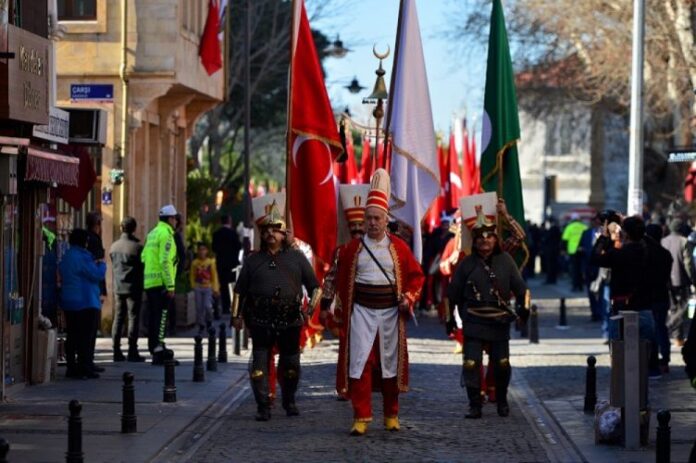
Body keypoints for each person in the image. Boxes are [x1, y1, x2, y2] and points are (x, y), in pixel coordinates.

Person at [324, 169, 424, 436]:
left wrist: (409, 298)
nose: (372, 223)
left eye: (377, 218)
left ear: (385, 219)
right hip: (361, 314)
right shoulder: (350, 250)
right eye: (368, 218)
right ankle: (361, 416)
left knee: (390, 365)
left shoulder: (400, 249)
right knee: (360, 363)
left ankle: (391, 414)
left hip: (390, 314)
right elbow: (333, 277)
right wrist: (328, 306)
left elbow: (416, 278)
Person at [232, 195, 319, 421]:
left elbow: (315, 287)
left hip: (290, 318)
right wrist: (236, 315)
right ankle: (263, 406)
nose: (271, 233)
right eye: (266, 230)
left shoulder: (297, 258)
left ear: (284, 233)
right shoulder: (252, 260)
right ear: (261, 234)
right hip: (260, 318)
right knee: (259, 367)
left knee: (290, 366)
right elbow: (240, 290)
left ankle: (289, 402)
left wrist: (311, 310)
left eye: (276, 229)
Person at [447, 204, 529, 419]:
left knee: (501, 364)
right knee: (471, 363)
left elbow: (521, 290)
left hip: (498, 320)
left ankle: (501, 401)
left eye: (489, 236)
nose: (485, 240)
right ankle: (475, 404)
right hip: (474, 320)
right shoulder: (466, 264)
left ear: (495, 239)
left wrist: (524, 311)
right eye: (480, 237)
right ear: (474, 240)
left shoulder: (506, 260)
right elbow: (452, 294)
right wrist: (450, 320)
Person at [591, 216, 659, 378]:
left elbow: (595, 258)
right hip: (645, 307)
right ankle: (642, 398)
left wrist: (604, 238)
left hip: (622, 308)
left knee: (619, 355)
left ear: (626, 234)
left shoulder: (620, 254)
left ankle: (622, 394)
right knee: (644, 357)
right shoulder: (652, 252)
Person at [320, 184, 369, 400]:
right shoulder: (341, 251)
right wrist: (324, 305)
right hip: (347, 308)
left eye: (361, 227)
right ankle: (345, 386)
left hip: (372, 305)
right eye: (354, 227)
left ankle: (369, 386)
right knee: (347, 348)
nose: (357, 231)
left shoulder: (377, 249)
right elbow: (330, 279)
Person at [59, 228, 107, 379]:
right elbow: (96, 274)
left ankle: (71, 367)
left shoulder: (66, 256)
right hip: (85, 301)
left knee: (72, 335)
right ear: (84, 242)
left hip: (69, 301)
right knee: (85, 337)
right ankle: (84, 368)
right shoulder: (83, 257)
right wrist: (102, 264)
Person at [142, 204, 179, 365]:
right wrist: (170, 286)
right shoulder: (166, 235)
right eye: (175, 219)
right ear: (170, 219)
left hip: (150, 281)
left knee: (154, 316)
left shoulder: (152, 234)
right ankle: (158, 349)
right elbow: (165, 261)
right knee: (161, 317)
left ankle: (157, 346)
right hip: (162, 283)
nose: (176, 222)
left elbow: (144, 257)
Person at [109, 216, 146, 362]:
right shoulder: (137, 248)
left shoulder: (114, 247)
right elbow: (143, 266)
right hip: (134, 288)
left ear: (121, 228)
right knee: (133, 318)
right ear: (134, 229)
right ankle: (132, 350)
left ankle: (116, 350)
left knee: (118, 318)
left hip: (118, 287)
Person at [645, 224, 673, 374]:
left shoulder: (645, 253)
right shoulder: (665, 254)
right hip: (662, 295)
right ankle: (665, 359)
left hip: (648, 297)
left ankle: (653, 361)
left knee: (650, 330)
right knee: (661, 328)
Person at [661, 219, 692, 347]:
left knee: (673, 308)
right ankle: (677, 335)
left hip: (667, 280)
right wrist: (693, 279)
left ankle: (675, 335)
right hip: (681, 280)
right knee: (682, 309)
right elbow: (688, 264)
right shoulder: (684, 241)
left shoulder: (663, 241)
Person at [85, 211, 106, 373]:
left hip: (92, 289)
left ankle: (88, 361)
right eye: (100, 223)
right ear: (96, 224)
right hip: (92, 289)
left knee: (91, 329)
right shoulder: (93, 240)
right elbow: (98, 268)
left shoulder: (90, 238)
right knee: (90, 329)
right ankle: (87, 362)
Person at [212, 215, 242, 316]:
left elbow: (214, 248)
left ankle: (225, 306)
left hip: (221, 263)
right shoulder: (233, 234)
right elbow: (238, 247)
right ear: (229, 221)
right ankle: (233, 306)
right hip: (232, 263)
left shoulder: (216, 234)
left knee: (223, 285)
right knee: (232, 285)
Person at [190, 242, 220, 335]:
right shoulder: (195, 263)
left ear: (207, 251)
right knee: (199, 308)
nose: (202, 252)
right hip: (198, 287)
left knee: (208, 306)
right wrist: (193, 285)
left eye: (204, 249)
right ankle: (201, 325)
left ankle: (209, 322)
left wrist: (216, 288)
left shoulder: (210, 262)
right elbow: (192, 275)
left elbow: (214, 276)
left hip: (208, 287)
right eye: (200, 250)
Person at [562, 213, 588, 291]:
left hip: (572, 251)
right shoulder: (584, 227)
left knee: (574, 269)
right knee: (581, 269)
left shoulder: (569, 227)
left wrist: (563, 250)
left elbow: (564, 240)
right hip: (583, 251)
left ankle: (574, 286)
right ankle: (580, 286)